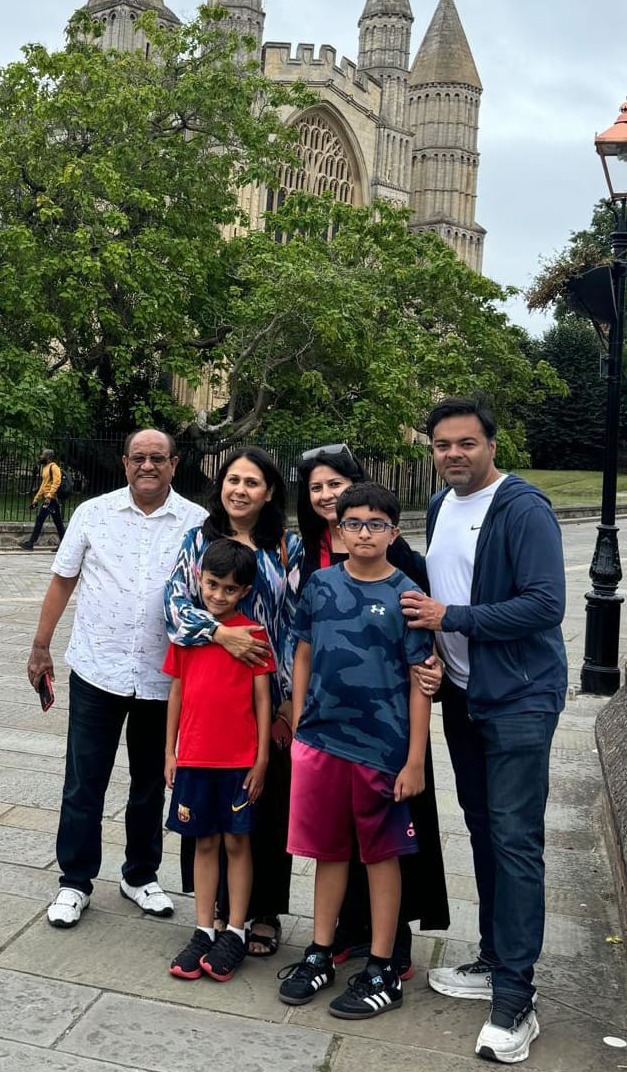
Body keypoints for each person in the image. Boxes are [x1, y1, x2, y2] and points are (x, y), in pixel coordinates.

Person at [402, 396, 567, 1064]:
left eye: (466, 443)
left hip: (519, 698)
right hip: (464, 696)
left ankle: (515, 998)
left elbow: (544, 603)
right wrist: (440, 654)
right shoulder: (442, 507)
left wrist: (453, 618)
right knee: (482, 829)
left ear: (490, 445)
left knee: (514, 839)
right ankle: (495, 957)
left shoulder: (521, 507)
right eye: (442, 444)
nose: (453, 454)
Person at [25, 428, 208, 928]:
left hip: (163, 675)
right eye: (139, 458)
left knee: (151, 781)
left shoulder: (198, 523)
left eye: (158, 458)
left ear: (175, 464)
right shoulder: (93, 514)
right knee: (85, 780)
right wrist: (41, 645)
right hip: (97, 668)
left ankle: (140, 874)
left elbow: (214, 594)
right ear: (124, 462)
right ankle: (75, 880)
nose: (148, 466)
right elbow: (63, 579)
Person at [278, 481, 434, 1020]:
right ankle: (320, 950)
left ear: (395, 530)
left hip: (381, 752)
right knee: (328, 851)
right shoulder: (320, 585)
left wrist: (414, 759)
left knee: (382, 856)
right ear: (337, 530)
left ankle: (384, 964)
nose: (363, 533)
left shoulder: (407, 596)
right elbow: (301, 650)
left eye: (375, 524)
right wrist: (299, 721)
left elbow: (421, 680)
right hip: (321, 742)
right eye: (353, 524)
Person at [164, 445, 303, 957]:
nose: (240, 490)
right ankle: (213, 914)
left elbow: (291, 622)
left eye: (252, 483)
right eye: (233, 480)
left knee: (260, 806)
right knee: (205, 811)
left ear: (269, 493)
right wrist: (222, 634)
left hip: (266, 694)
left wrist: (289, 697)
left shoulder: (286, 548)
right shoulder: (199, 541)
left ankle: (259, 914)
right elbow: (174, 606)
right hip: (208, 689)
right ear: (220, 485)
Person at [165, 540, 274, 982]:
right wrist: (169, 752)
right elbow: (175, 690)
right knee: (203, 843)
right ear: (200, 580)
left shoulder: (253, 635)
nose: (218, 595)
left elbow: (263, 698)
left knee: (237, 843)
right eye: (212, 585)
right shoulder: (188, 633)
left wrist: (262, 757)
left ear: (244, 591)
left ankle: (234, 929)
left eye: (229, 589)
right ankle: (203, 929)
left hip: (238, 762)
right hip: (193, 758)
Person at [19, 448, 66, 550]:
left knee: (40, 518)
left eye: (42, 455)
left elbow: (56, 482)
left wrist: (49, 496)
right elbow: (43, 485)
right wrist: (36, 499)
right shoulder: (45, 468)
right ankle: (64, 545)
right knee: (58, 523)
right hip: (49, 499)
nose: (41, 457)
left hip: (51, 499)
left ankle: (30, 543)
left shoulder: (54, 467)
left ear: (48, 457)